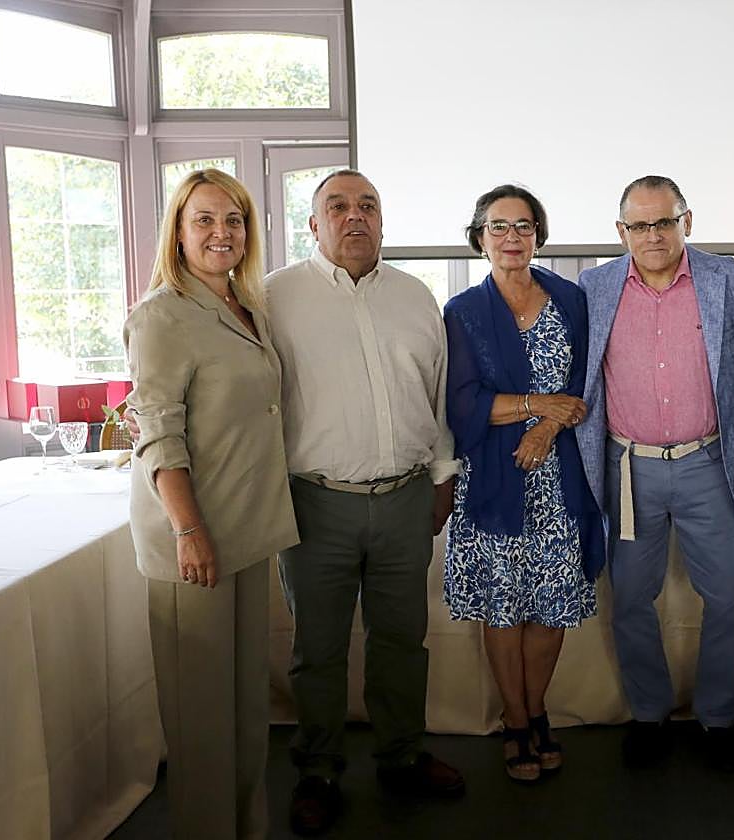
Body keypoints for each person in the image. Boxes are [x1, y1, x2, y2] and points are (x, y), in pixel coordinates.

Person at [264, 169, 464, 836]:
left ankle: (401, 755)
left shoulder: (415, 297)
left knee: (403, 641)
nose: (355, 216)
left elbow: (437, 396)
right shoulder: (273, 298)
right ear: (313, 224)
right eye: (338, 206)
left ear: (382, 220)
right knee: (318, 648)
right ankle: (318, 770)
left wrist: (442, 478)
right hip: (314, 503)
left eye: (367, 206)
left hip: (406, 498)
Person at [125, 168, 298, 840]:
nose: (221, 232)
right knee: (201, 720)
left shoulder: (245, 306)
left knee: (246, 711)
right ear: (178, 231)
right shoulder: (161, 316)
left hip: (247, 529)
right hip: (194, 539)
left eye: (234, 220)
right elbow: (158, 436)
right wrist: (188, 530)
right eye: (204, 219)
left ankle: (247, 827)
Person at [575, 175, 734, 770]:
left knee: (728, 597)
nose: (652, 235)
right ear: (621, 231)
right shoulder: (595, 287)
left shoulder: (729, 280)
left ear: (687, 221)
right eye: (639, 225)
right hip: (628, 469)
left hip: (711, 463)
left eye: (664, 222)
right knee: (631, 598)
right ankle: (649, 715)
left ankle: (720, 720)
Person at [442, 184, 605, 783]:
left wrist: (546, 428)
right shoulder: (461, 311)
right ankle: (514, 721)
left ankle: (538, 711)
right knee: (504, 606)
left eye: (524, 226)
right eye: (499, 226)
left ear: (539, 234)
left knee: (552, 605)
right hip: (495, 478)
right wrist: (540, 407)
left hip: (560, 479)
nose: (512, 237)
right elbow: (464, 404)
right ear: (479, 238)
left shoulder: (571, 299)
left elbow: (584, 387)